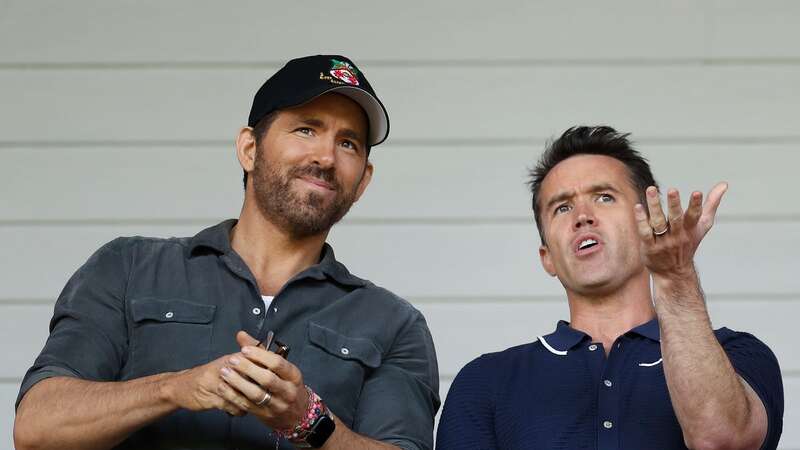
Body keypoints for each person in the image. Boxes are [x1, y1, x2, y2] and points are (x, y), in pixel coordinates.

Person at [14, 55, 440, 450]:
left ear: (363, 180)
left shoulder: (394, 325)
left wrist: (308, 419)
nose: (326, 156)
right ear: (249, 149)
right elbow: (37, 426)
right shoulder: (128, 268)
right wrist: (175, 388)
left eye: (348, 143)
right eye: (306, 129)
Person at [436, 126, 782, 450]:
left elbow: (720, 440)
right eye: (562, 207)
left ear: (651, 224)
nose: (582, 216)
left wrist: (675, 278)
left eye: (604, 197)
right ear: (548, 258)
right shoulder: (485, 381)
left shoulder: (737, 354)